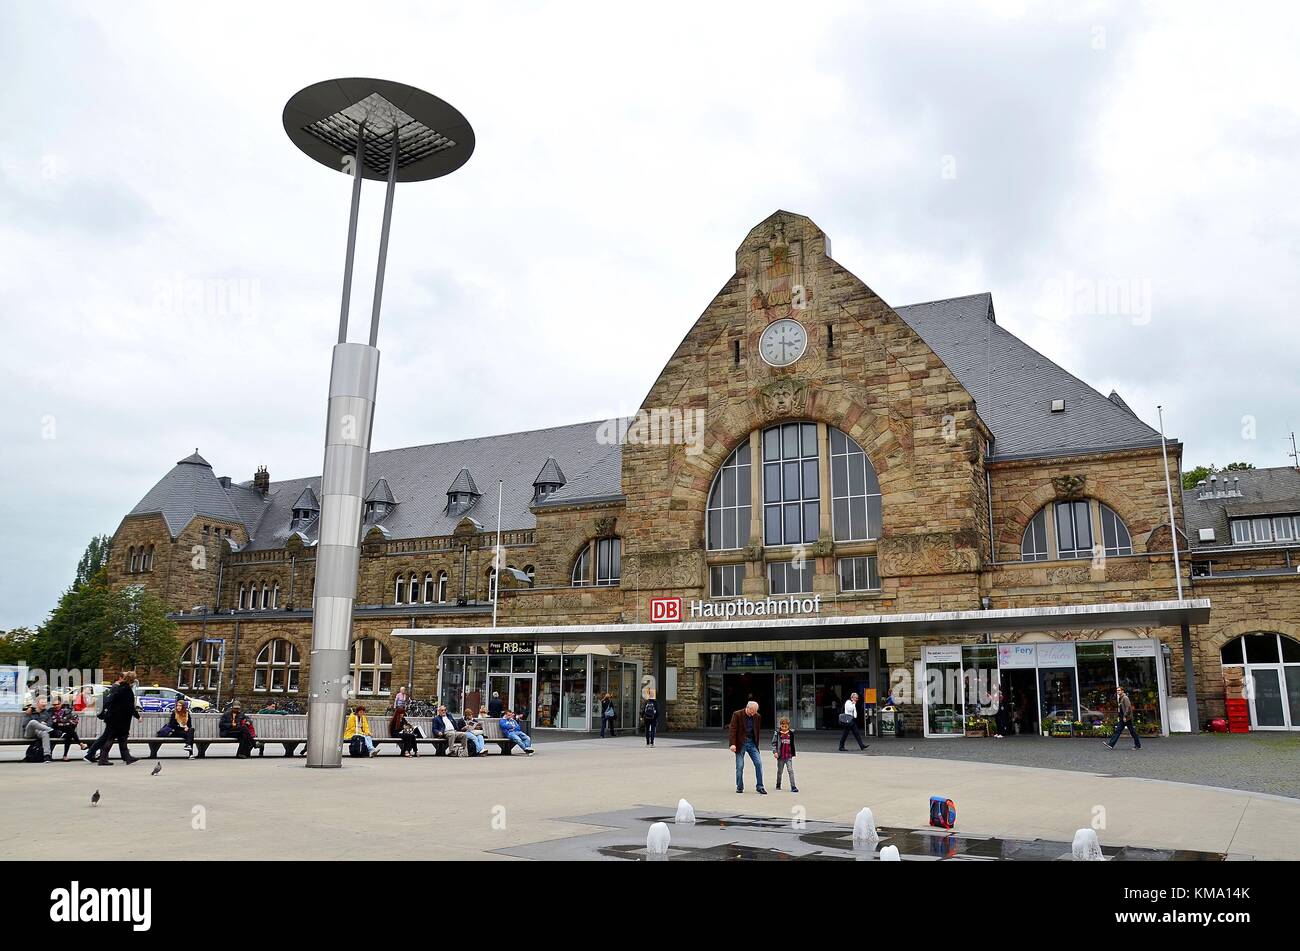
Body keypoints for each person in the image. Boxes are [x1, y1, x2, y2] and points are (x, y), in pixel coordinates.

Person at [86, 671, 140, 766]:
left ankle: (127, 757)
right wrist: (138, 716)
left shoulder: (120, 688)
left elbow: (111, 702)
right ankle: (102, 759)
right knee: (111, 738)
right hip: (120, 720)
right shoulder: (126, 691)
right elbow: (130, 707)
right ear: (132, 681)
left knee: (121, 738)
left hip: (114, 718)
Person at [727, 700, 766, 795]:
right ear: (747, 708)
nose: (753, 714)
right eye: (752, 711)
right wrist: (732, 744)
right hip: (741, 743)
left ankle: (760, 786)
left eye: (755, 711)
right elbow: (733, 729)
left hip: (752, 743)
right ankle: (739, 787)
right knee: (740, 766)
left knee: (758, 763)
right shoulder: (737, 714)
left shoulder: (757, 716)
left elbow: (757, 731)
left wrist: (756, 745)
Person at [1105, 686, 1142, 750]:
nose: (1118, 692)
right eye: (1117, 690)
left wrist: (1125, 716)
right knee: (1118, 731)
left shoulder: (1125, 698)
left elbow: (1128, 708)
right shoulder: (1120, 698)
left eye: (1119, 690)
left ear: (1122, 691)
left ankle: (1138, 745)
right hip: (1123, 718)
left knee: (1132, 732)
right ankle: (1111, 744)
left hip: (1127, 718)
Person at [50, 695, 87, 760]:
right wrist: (63, 721)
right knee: (70, 730)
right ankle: (80, 744)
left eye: (58, 704)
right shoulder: (50, 711)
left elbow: (71, 719)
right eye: (54, 704)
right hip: (55, 730)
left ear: (61, 703)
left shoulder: (66, 710)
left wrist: (63, 721)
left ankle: (65, 756)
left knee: (69, 734)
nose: (56, 706)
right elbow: (53, 722)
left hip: (65, 729)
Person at [23, 695, 55, 762]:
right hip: (29, 733)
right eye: (42, 702)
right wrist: (40, 724)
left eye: (45, 702)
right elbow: (25, 725)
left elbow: (50, 724)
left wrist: (41, 726)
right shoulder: (30, 712)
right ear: (37, 703)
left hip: (40, 732)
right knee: (33, 722)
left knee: (45, 733)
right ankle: (52, 731)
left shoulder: (46, 713)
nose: (44, 704)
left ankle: (47, 755)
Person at [771, 716, 799, 793]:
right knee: (780, 771)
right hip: (780, 756)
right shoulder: (777, 733)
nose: (784, 728)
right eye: (782, 726)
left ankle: (793, 786)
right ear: (780, 725)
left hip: (788, 755)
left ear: (788, 726)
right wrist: (775, 752)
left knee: (790, 770)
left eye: (785, 726)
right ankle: (778, 784)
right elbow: (773, 743)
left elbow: (792, 744)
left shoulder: (791, 733)